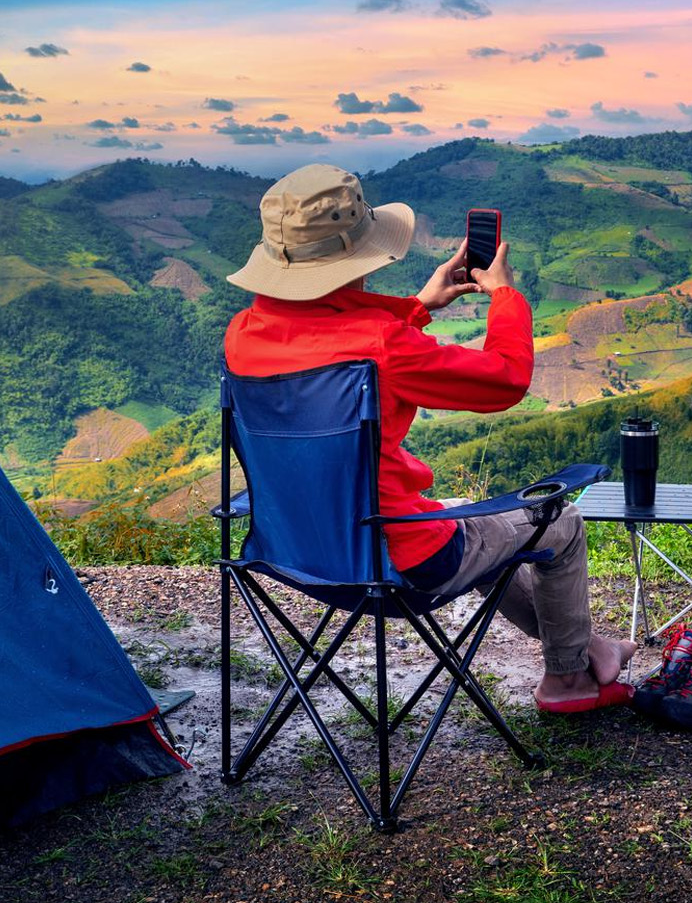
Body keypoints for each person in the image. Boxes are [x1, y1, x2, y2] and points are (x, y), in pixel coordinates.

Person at [222, 164, 636, 712]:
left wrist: (420, 307)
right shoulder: (383, 346)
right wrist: (505, 297)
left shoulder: (243, 335)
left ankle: (587, 650)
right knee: (557, 521)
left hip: (294, 553)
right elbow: (505, 381)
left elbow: (336, 338)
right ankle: (567, 680)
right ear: (360, 256)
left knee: (474, 521)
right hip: (400, 565)